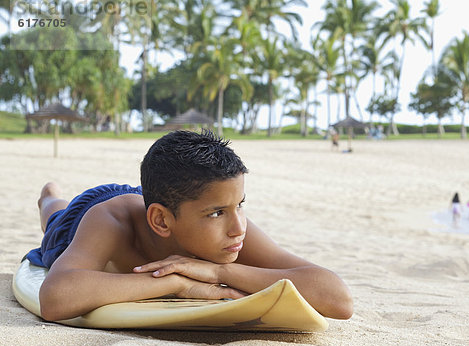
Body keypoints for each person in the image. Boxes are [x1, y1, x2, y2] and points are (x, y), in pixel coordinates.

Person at [30, 130, 353, 322]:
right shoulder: (110, 220)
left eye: (240, 205)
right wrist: (176, 283)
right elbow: (56, 298)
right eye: (217, 213)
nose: (238, 227)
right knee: (56, 216)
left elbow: (337, 300)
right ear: (160, 220)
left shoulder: (231, 223)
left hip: (166, 199)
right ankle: (50, 194)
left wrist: (218, 272)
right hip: (91, 212)